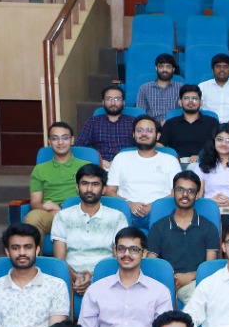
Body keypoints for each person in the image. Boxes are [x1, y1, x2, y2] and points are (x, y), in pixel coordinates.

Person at [51, 164, 128, 297]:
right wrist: (76, 278)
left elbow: (119, 258)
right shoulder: (62, 217)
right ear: (77, 187)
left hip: (106, 277)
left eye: (95, 184)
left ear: (104, 189)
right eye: (84, 184)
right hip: (71, 278)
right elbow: (60, 260)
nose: (89, 189)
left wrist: (94, 278)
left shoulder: (117, 217)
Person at [145, 171, 220, 305]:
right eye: (180, 190)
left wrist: (190, 276)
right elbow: (152, 264)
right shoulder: (158, 227)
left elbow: (210, 269)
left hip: (195, 283)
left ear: (197, 195)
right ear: (173, 192)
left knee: (201, 301)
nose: (185, 195)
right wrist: (168, 279)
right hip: (163, 281)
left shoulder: (209, 227)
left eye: (190, 191)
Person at [105, 115, 178, 224]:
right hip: (127, 212)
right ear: (134, 135)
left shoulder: (170, 160)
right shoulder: (121, 158)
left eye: (149, 131)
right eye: (139, 130)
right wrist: (128, 203)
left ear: (158, 136)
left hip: (160, 213)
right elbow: (109, 191)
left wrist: (154, 206)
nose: (144, 134)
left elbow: (176, 191)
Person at [24, 122, 84, 234]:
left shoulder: (86, 166)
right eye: (55, 138)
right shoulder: (39, 169)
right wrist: (47, 208)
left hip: (79, 213)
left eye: (65, 138)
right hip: (51, 213)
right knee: (33, 218)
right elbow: (35, 202)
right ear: (49, 141)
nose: (60, 142)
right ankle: (34, 252)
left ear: (72, 140)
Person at [77, 86, 134, 171]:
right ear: (103, 102)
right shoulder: (92, 122)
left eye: (117, 99)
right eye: (108, 99)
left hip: (127, 166)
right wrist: (97, 160)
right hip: (100, 167)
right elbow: (79, 147)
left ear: (123, 102)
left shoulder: (133, 122)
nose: (113, 103)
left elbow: (142, 148)